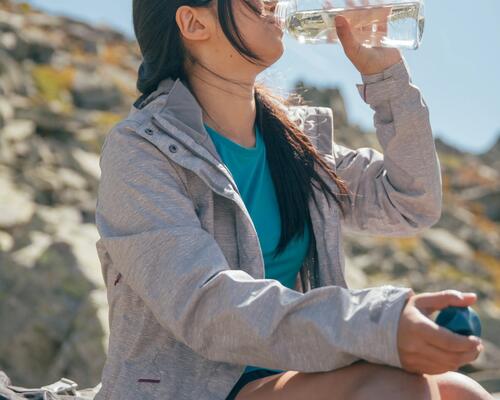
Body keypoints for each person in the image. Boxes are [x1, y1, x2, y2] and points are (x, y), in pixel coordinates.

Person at [94, 0, 493, 399]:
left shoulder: (296, 141)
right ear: (194, 22)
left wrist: (384, 73)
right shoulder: (141, 150)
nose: (274, 2)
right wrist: (374, 325)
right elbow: (206, 307)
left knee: (463, 392)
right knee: (392, 390)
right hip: (194, 390)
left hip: (291, 377)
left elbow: (412, 200)